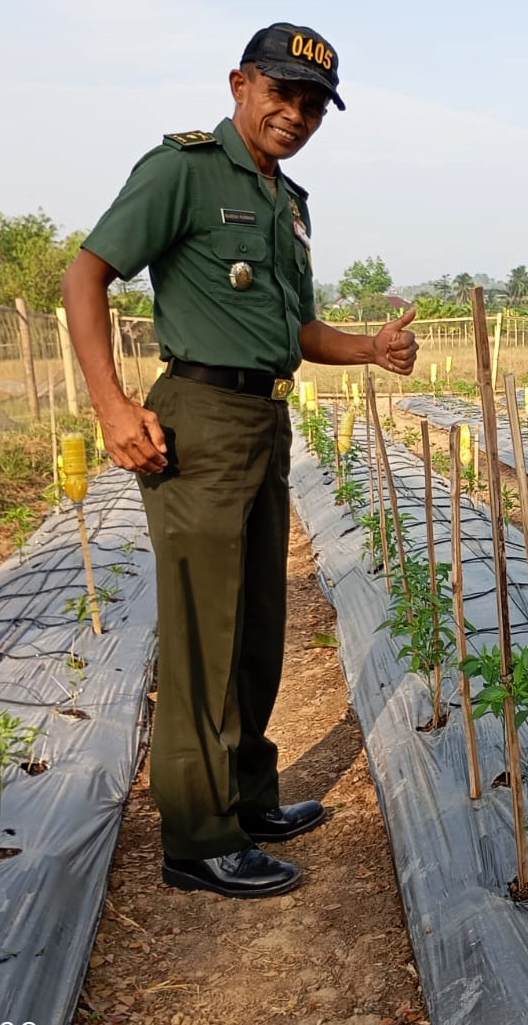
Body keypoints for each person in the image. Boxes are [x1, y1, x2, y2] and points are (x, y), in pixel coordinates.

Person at [61, 23, 419, 898]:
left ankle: (250, 795)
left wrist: (370, 347)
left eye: (311, 103)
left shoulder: (288, 202)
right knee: (202, 632)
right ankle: (196, 835)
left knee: (257, 622)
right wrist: (112, 404)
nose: (293, 113)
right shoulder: (181, 170)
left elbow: (295, 328)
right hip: (196, 421)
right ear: (239, 84)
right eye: (279, 91)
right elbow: (86, 274)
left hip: (264, 421)